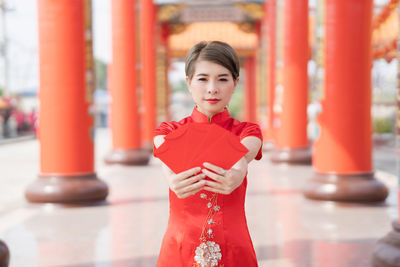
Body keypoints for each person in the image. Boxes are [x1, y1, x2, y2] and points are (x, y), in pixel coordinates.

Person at [153, 41, 263, 267]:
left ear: (235, 83)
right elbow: (165, 154)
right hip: (180, 246)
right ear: (189, 83)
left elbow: (246, 152)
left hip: (234, 247)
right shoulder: (169, 131)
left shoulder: (247, 132)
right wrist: (171, 178)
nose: (212, 88)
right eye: (202, 79)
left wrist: (240, 166)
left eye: (223, 79)